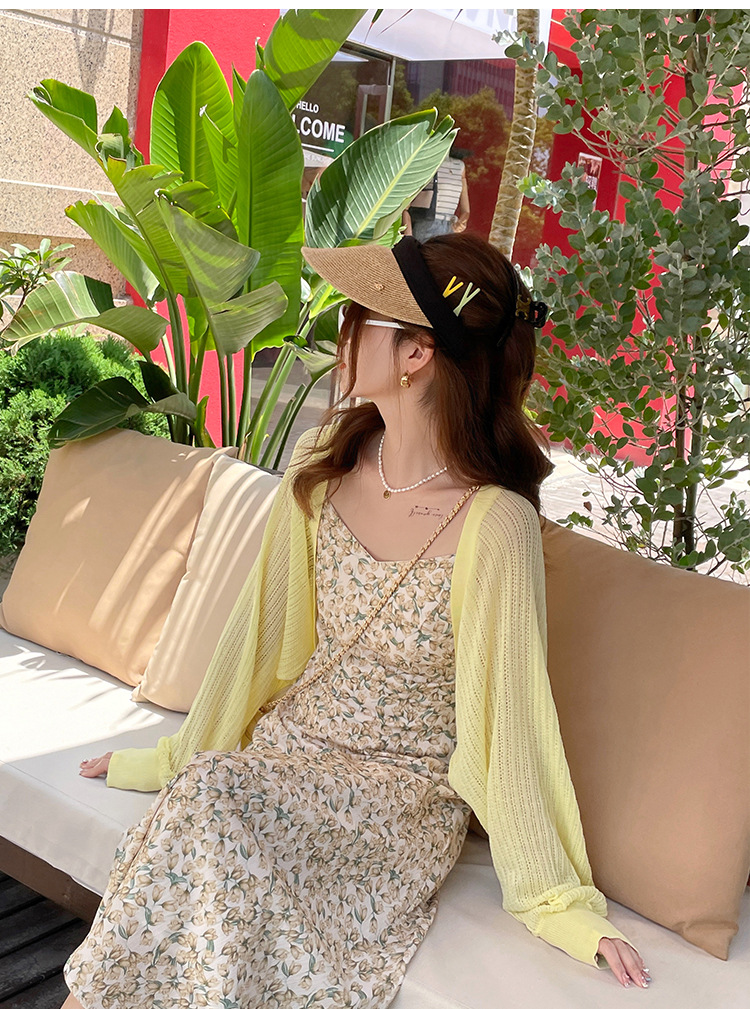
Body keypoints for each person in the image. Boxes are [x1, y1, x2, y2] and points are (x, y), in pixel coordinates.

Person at [65, 233, 651, 1009]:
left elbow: (510, 720)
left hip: (393, 807)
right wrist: (179, 753)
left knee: (209, 806)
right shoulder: (322, 464)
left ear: (416, 354)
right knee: (206, 802)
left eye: (359, 315)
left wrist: (558, 901)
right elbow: (257, 640)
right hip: (281, 762)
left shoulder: (496, 525)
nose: (341, 330)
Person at [406, 149, 470, 241]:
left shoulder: (459, 166)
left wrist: (462, 222)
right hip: (428, 222)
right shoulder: (428, 162)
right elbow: (406, 206)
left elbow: (466, 210)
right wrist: (408, 236)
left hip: (450, 226)